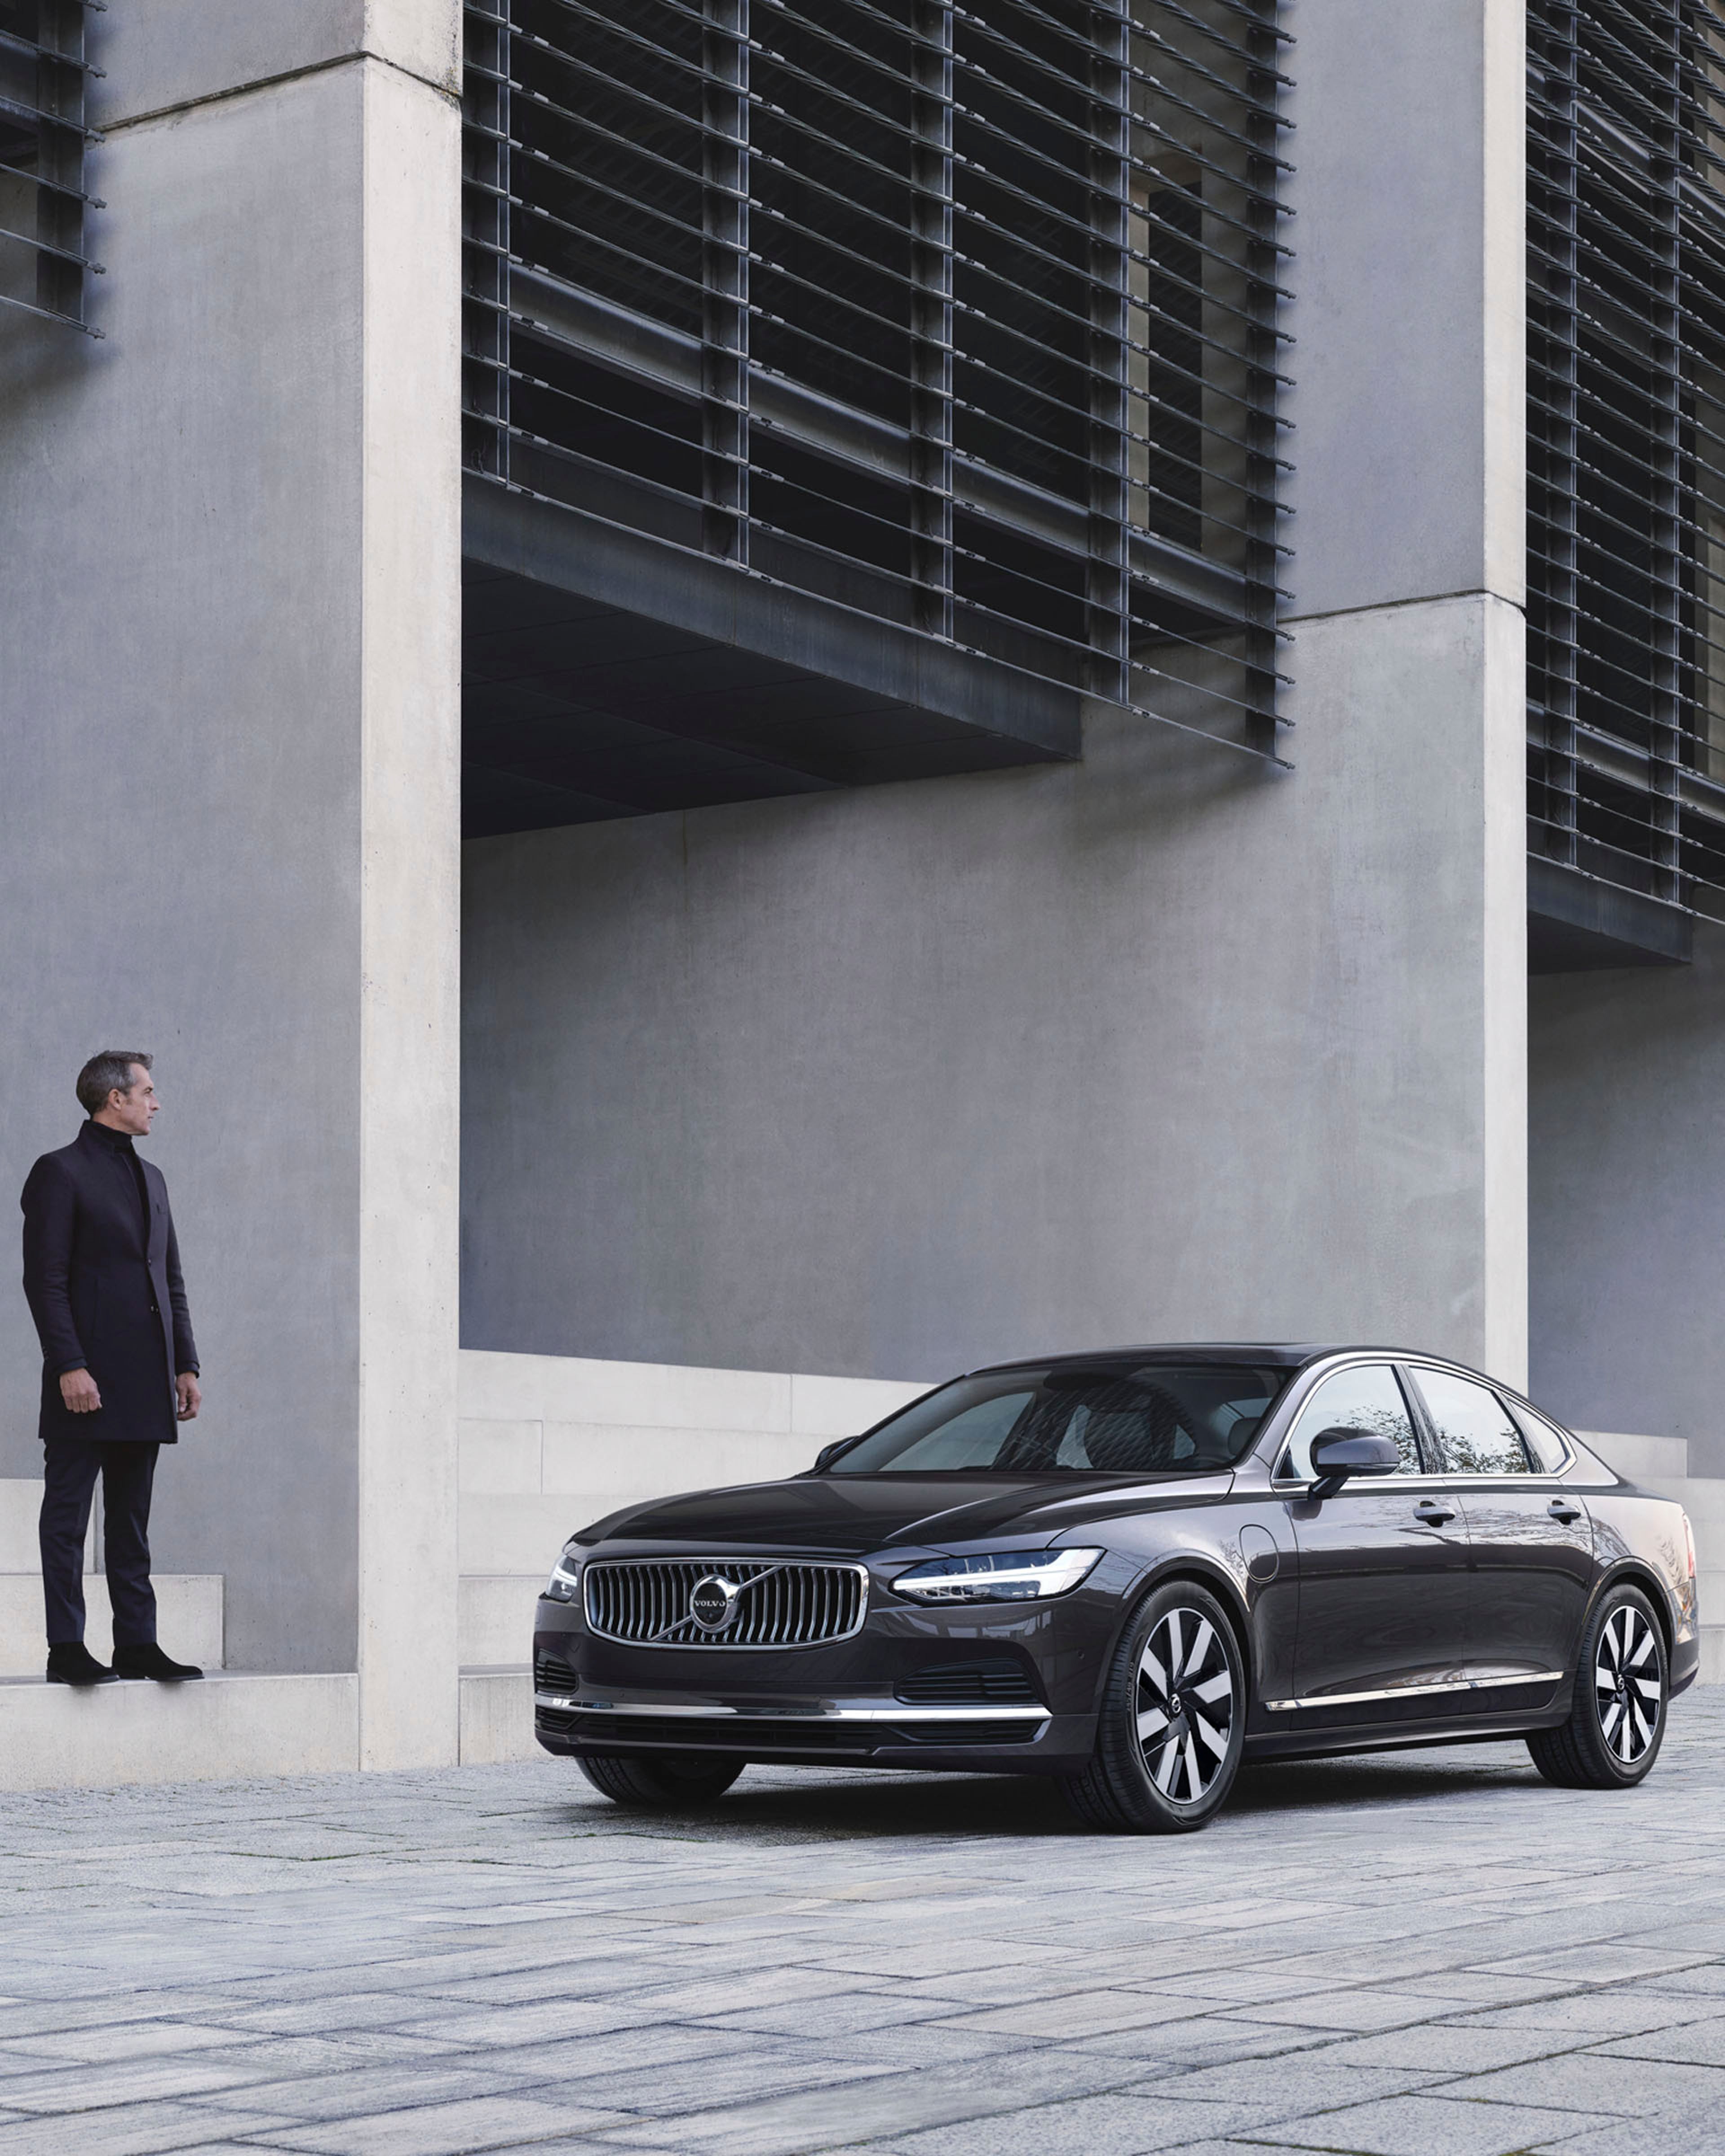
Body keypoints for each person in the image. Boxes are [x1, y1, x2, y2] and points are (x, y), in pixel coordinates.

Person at [20, 1053, 203, 1686]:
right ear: (114, 1100)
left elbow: (169, 1280)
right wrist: (69, 1364)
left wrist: (186, 1365)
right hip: (85, 1382)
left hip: (145, 1380)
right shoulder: (59, 1173)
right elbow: (44, 1282)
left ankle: (136, 1644)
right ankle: (66, 1646)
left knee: (131, 1519)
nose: (156, 1103)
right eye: (148, 1091)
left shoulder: (153, 1178)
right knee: (69, 1518)